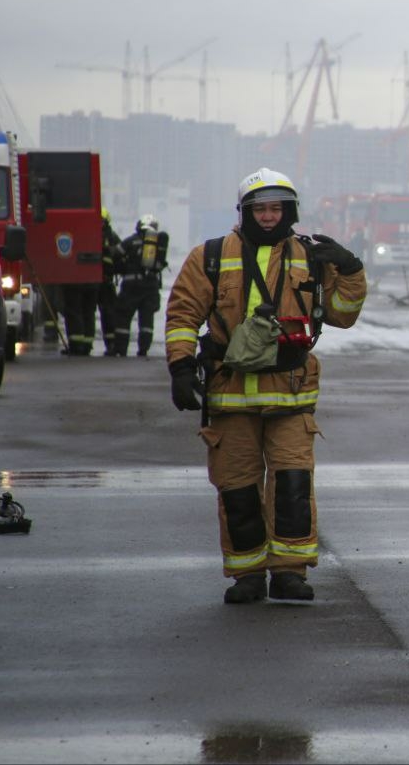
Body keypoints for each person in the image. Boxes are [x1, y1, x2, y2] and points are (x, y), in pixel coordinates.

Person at [163, 167, 367, 604]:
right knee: (237, 489)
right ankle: (247, 575)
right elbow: (182, 314)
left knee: (293, 484)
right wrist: (181, 368)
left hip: (290, 394)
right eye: (261, 208)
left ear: (290, 211)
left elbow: (343, 313)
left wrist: (350, 270)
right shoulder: (210, 256)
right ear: (245, 212)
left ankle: (290, 573)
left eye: (277, 208)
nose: (270, 216)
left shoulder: (312, 257)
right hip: (229, 393)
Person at [112, 214, 169, 357]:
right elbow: (160, 264)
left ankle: (120, 350)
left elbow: (115, 255)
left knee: (124, 318)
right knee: (146, 321)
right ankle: (143, 350)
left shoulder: (130, 241)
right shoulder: (156, 243)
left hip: (130, 286)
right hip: (150, 286)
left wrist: (123, 267)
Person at [99, 208, 124, 355]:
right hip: (96, 283)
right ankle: (81, 344)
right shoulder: (111, 237)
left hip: (105, 282)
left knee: (108, 314)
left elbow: (120, 257)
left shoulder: (112, 237)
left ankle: (111, 345)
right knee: (88, 313)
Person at [59, 281, 99, 356]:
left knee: (74, 312)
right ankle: (87, 344)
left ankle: (76, 345)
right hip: (93, 283)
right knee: (88, 312)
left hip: (74, 282)